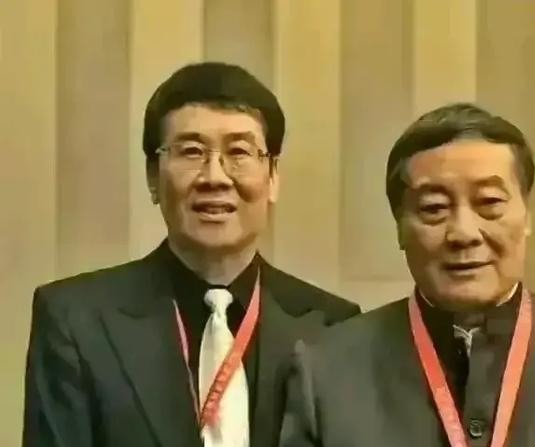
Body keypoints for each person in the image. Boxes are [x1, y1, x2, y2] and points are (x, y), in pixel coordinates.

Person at [280, 103, 535, 447]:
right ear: (400, 227)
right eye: (434, 208)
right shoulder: (325, 370)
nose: (464, 233)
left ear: (526, 215)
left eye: (489, 203)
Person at [23, 62, 360, 447]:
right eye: (191, 151)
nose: (214, 176)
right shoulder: (75, 320)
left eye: (239, 151)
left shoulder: (334, 329)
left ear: (273, 177)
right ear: (153, 176)